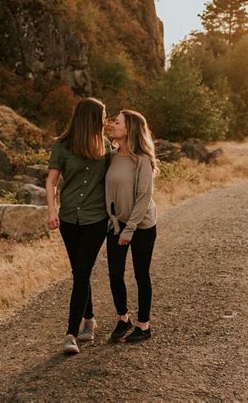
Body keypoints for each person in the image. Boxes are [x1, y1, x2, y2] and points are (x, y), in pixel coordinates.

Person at [45, 97, 111, 355]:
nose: (105, 121)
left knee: (82, 273)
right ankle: (90, 319)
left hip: (96, 220)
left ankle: (71, 334)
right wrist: (51, 211)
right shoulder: (61, 146)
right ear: (91, 118)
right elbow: (51, 182)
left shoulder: (105, 147)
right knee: (79, 272)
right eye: (103, 115)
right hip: (69, 219)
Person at [105, 109, 158, 343]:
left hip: (142, 225)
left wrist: (130, 229)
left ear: (129, 129)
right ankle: (123, 319)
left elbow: (143, 197)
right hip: (116, 223)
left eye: (117, 122)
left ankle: (143, 326)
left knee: (140, 274)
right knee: (115, 273)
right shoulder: (111, 155)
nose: (112, 125)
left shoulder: (142, 160)